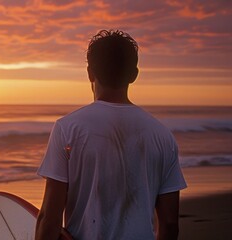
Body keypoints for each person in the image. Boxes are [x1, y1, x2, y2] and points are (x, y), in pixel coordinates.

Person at [35, 30, 187, 240]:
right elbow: (170, 224)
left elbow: (49, 219)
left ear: (90, 72)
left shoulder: (67, 129)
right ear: (134, 75)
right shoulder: (162, 136)